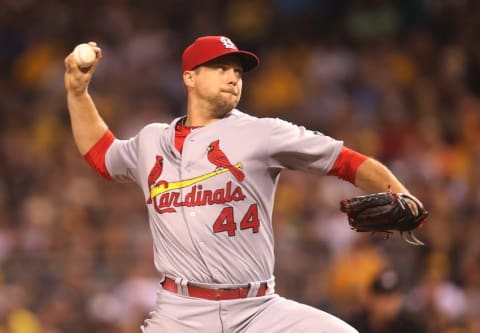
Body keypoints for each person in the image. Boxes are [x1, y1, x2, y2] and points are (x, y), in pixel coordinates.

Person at [64, 35, 424, 333]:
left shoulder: (262, 132)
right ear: (189, 77)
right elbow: (103, 156)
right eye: (220, 68)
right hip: (180, 315)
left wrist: (400, 192)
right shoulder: (150, 140)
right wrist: (78, 94)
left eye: (237, 70)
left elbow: (345, 160)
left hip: (259, 310)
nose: (233, 76)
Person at [348, 269, 427, 333]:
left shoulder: (413, 327)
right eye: (383, 298)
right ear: (371, 298)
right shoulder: (353, 327)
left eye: (393, 297)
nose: (388, 305)